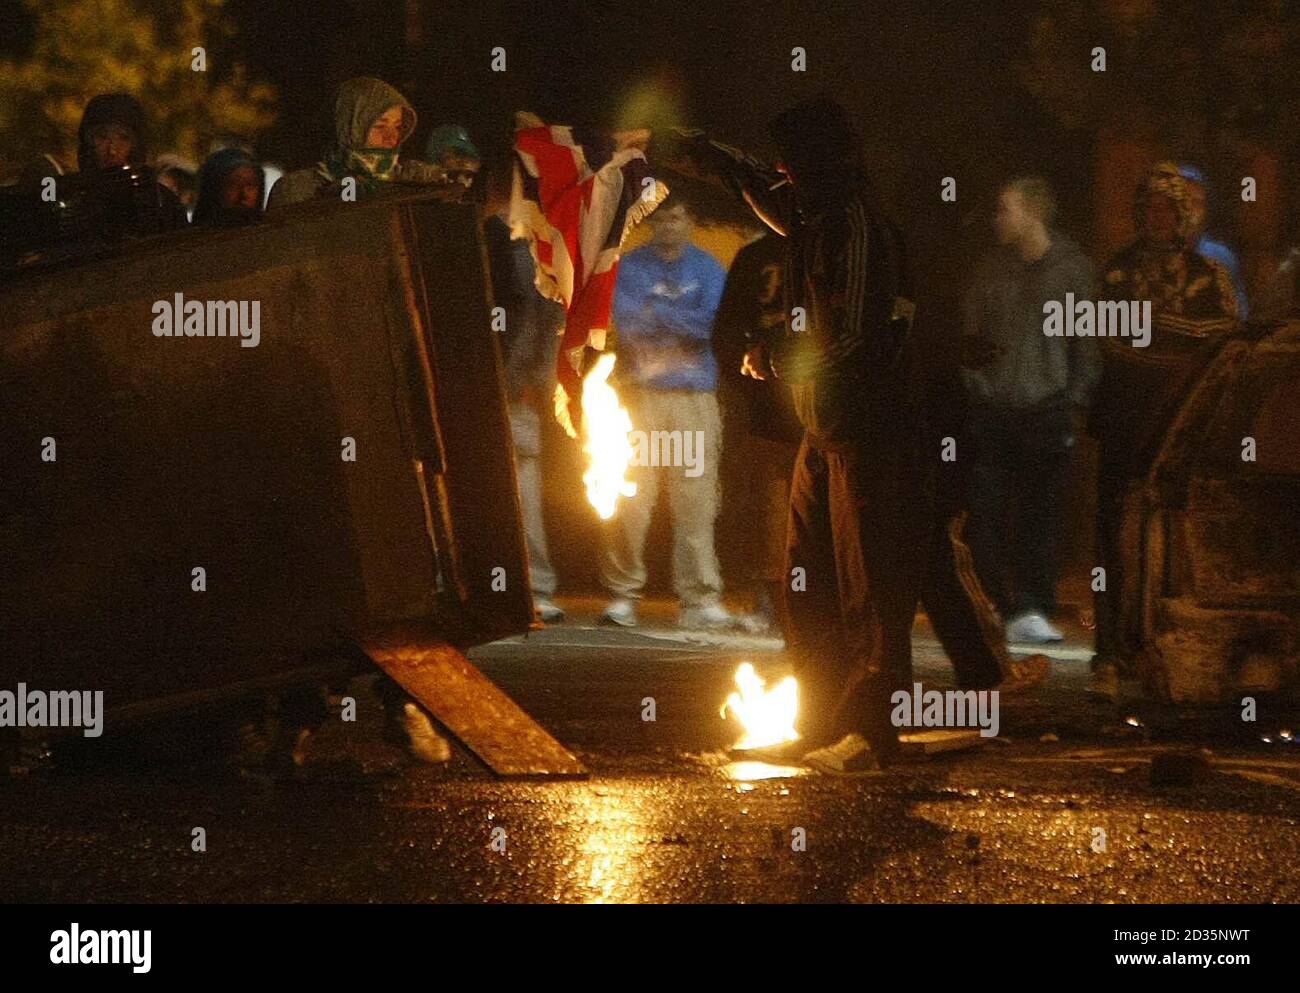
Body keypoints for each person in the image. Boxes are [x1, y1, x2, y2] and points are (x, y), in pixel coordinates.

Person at [656, 98, 930, 772]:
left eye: (793, 165)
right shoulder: (812, 217)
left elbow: (859, 335)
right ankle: (816, 714)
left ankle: (873, 726)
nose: (783, 179)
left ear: (819, 163)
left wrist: (779, 350)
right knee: (806, 580)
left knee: (870, 587)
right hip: (823, 429)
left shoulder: (857, 228)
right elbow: (754, 183)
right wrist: (694, 152)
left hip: (867, 430)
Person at [1089, 161, 1239, 698]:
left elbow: (1221, 334)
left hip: (1182, 425)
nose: (1157, 218)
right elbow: (1112, 337)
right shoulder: (1118, 271)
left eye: (1167, 209)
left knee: (1171, 534)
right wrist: (1166, 337)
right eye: (1149, 208)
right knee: (1114, 535)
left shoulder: (1206, 274)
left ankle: (1166, 647)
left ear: (1183, 215)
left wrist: (1157, 327)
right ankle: (1111, 650)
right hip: (1124, 423)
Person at [961, 177, 1101, 644]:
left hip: (1047, 411)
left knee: (1040, 518)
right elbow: (970, 337)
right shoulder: (990, 270)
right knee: (985, 514)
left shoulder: (1073, 271)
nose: (998, 218)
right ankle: (998, 604)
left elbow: (1088, 344)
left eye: (1006, 209)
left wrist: (1074, 402)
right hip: (994, 412)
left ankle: (1033, 607)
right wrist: (978, 389)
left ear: (1033, 214)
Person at [600, 198, 733, 630]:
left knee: (695, 501)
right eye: (660, 218)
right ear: (650, 222)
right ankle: (622, 595)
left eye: (677, 216)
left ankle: (699, 598)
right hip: (641, 399)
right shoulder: (630, 267)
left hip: (692, 398)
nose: (669, 225)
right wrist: (677, 321)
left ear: (691, 220)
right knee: (632, 501)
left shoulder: (710, 268)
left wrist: (659, 314)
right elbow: (628, 325)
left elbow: (709, 326)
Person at [712, 228, 802, 633]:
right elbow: (728, 331)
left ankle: (811, 605)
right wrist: (749, 385)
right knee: (768, 511)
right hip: (767, 417)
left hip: (819, 418)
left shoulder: (827, 248)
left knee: (808, 514)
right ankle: (774, 600)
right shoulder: (755, 258)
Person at [483, 201, 568, 622]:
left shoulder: (535, 241)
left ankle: (531, 586)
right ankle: (512, 587)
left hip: (513, 395)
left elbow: (548, 312)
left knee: (523, 493)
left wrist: (546, 383)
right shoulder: (490, 236)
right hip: (488, 391)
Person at [266, 77, 456, 209]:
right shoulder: (298, 190)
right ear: (351, 128)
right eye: (380, 127)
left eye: (398, 127)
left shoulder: (415, 180)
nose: (392, 138)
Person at [73, 92, 189, 241]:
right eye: (102, 137)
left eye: (123, 138)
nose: (112, 150)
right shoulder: (77, 206)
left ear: (136, 145)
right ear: (88, 143)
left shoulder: (161, 201)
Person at [1178, 164, 1248, 318]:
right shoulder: (1153, 252)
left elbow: (1239, 313)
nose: (1190, 211)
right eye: (1184, 201)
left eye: (1197, 203)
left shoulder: (1222, 256)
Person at [193, 147, 265, 227]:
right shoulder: (192, 237)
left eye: (251, 185)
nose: (244, 194)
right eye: (234, 184)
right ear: (213, 189)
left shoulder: (267, 235)